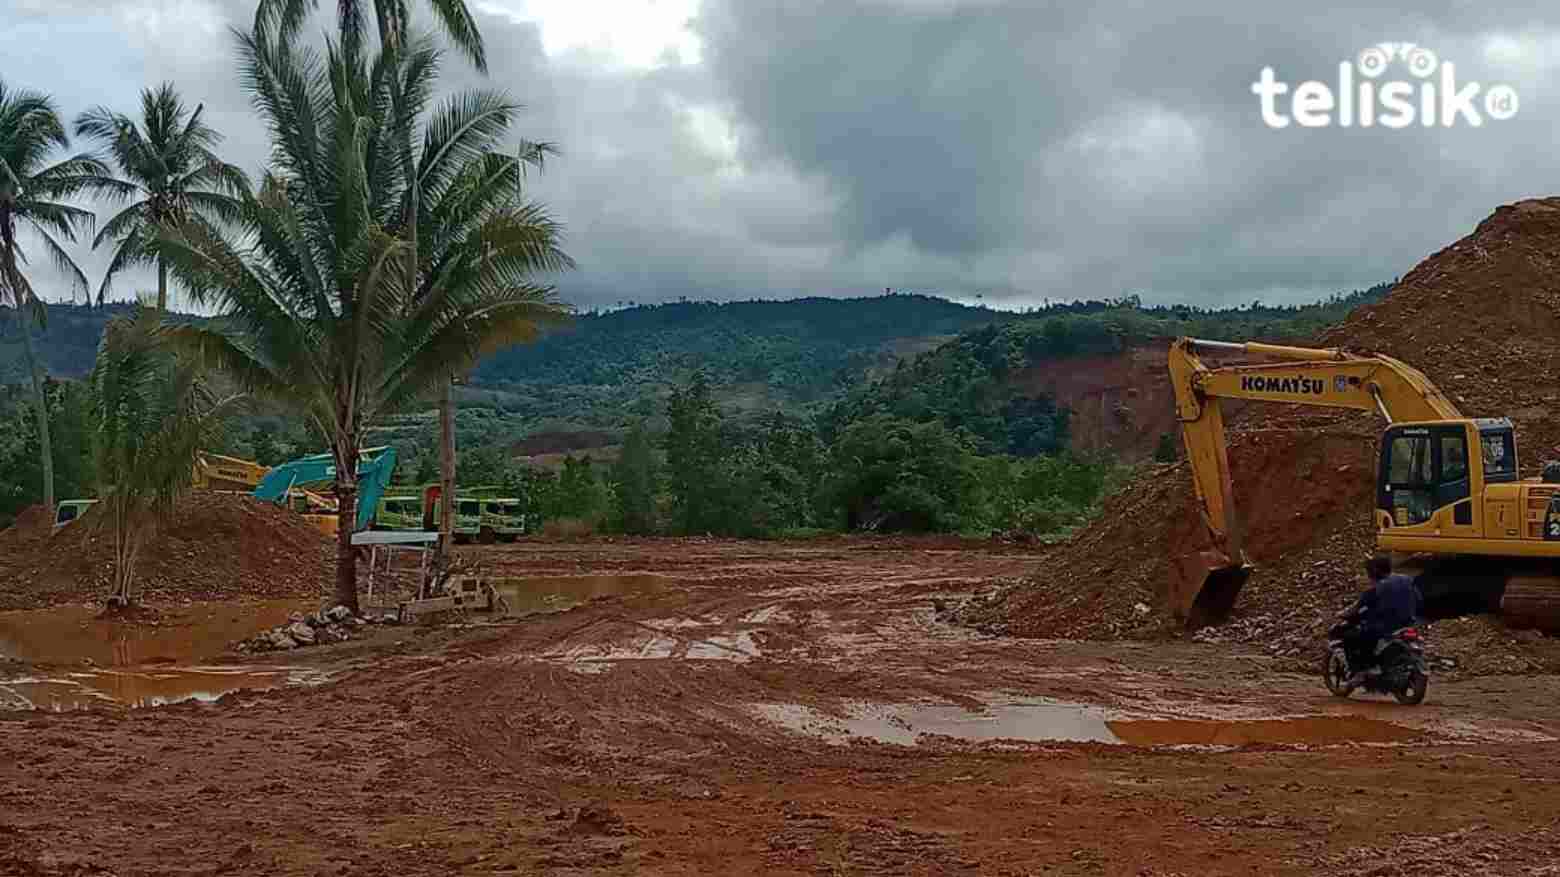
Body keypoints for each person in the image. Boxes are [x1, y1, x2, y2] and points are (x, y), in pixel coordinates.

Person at [1338, 555, 1424, 684]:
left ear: (1375, 570)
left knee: (1350, 637)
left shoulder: (1376, 588)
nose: (1368, 575)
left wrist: (1343, 615)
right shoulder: (1406, 579)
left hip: (1385, 627)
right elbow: (1419, 599)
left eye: (1368, 571)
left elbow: (1355, 609)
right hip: (1408, 623)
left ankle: (1361, 671)